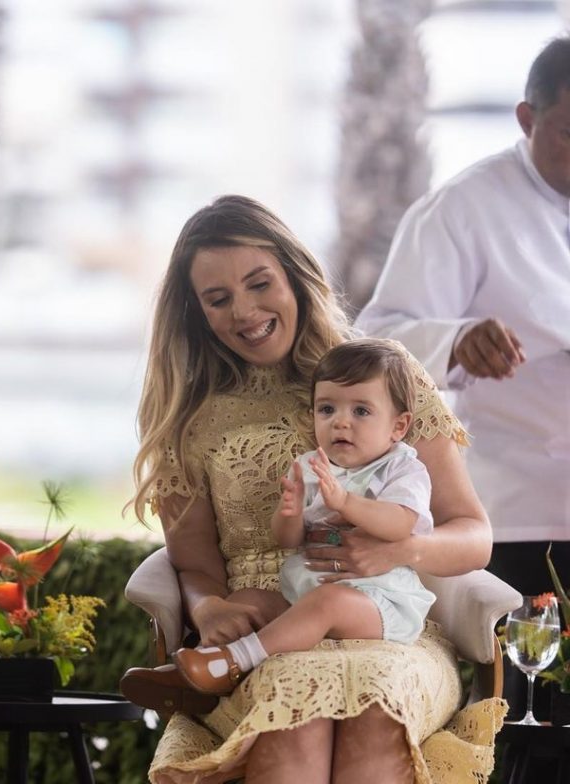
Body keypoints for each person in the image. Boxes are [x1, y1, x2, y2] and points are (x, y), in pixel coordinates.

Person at [119, 195, 498, 784]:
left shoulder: (383, 375)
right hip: (265, 631)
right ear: (197, 312)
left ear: (294, 276)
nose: (245, 311)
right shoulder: (184, 417)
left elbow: (473, 535)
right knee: (295, 718)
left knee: (375, 715)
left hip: (386, 623)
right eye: (218, 299)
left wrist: (402, 549)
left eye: (259, 283)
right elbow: (194, 566)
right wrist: (211, 606)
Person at [356, 36, 570, 597]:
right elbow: (377, 341)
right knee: (531, 683)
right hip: (524, 518)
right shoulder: (461, 209)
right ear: (527, 118)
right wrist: (456, 342)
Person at [173, 339, 437, 697]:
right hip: (308, 593)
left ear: (398, 426)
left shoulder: (401, 467)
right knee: (248, 600)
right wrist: (290, 513)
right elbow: (289, 540)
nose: (341, 423)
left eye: (361, 411)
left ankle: (232, 662)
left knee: (327, 604)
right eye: (327, 409)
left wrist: (345, 502)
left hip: (377, 601)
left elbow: (400, 523)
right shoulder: (311, 466)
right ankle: (196, 671)